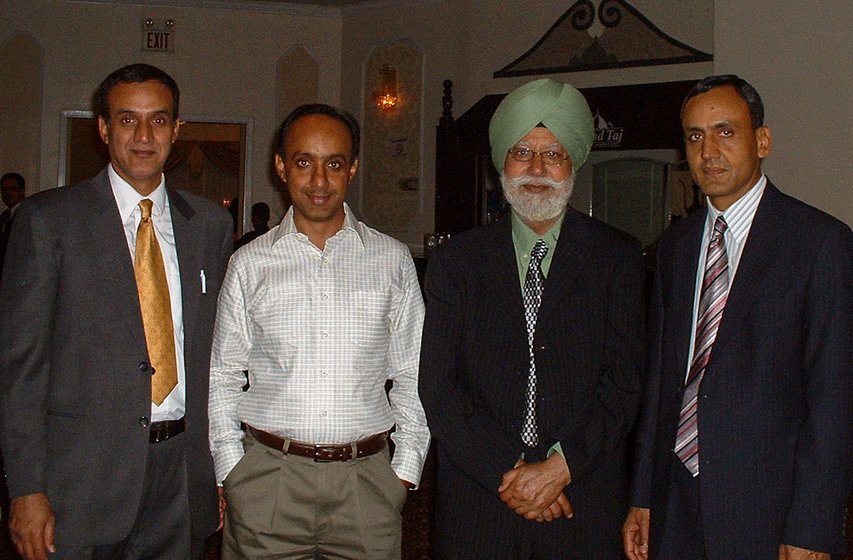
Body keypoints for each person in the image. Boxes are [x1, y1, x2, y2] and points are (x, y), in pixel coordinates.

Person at [0, 63, 232, 560]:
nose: (144, 135)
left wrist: (214, 467)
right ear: (103, 129)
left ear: (177, 129)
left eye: (159, 120)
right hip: (79, 483)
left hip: (181, 478)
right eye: (127, 120)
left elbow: (217, 360)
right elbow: (20, 368)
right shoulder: (46, 221)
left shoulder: (210, 225)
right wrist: (25, 487)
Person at [623, 75, 852, 560]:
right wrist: (643, 495)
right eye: (695, 136)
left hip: (768, 508)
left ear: (761, 141)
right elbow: (662, 383)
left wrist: (813, 524)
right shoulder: (675, 249)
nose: (709, 151)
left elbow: (835, 399)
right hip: (675, 496)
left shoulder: (819, 244)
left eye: (726, 132)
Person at [419, 78, 646, 559]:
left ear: (573, 164)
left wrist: (559, 469)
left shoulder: (618, 259)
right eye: (522, 152)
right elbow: (439, 386)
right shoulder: (456, 263)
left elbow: (625, 384)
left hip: (582, 501)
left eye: (554, 154)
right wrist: (516, 472)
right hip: (480, 503)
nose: (538, 169)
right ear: (502, 162)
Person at [209, 103, 430, 558]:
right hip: (268, 481)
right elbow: (222, 375)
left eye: (334, 164)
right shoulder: (250, 265)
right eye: (304, 162)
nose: (319, 181)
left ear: (352, 168)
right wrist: (232, 469)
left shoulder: (391, 261)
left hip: (366, 483)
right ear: (280, 166)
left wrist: (404, 469)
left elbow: (414, 373)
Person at [0, 172, 26, 280]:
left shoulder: (26, 214)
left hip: (18, 274)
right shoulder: (4, 216)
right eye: (4, 190)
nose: (7, 193)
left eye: (12, 189)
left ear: (22, 191)